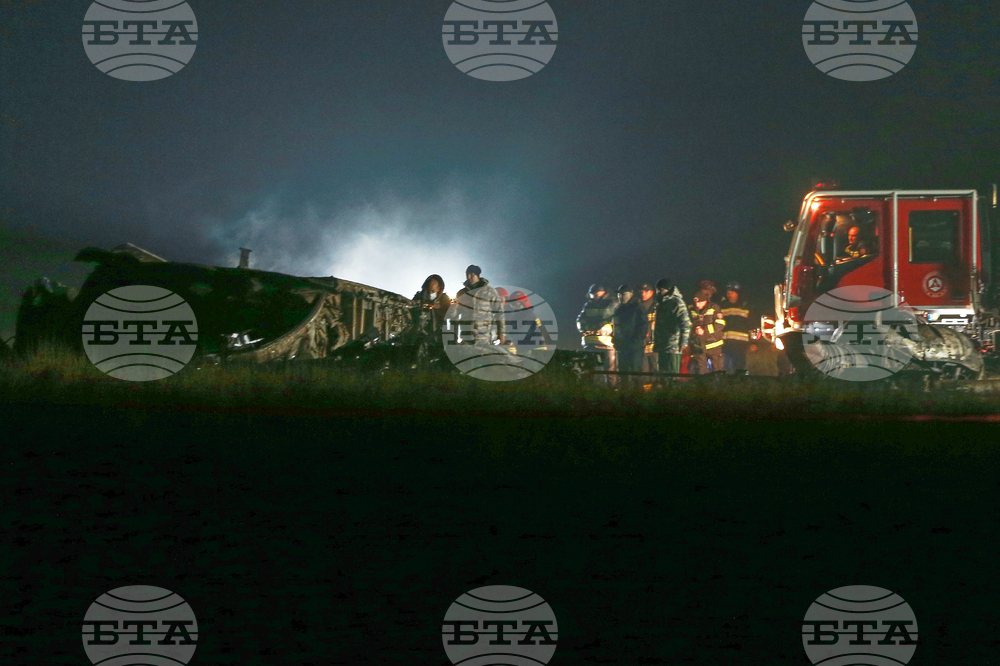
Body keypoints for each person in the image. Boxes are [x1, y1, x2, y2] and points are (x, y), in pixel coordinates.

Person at [453, 265, 505, 346]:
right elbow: (455, 316)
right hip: (467, 336)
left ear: (477, 275)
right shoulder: (462, 293)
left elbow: (499, 313)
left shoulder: (490, 292)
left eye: (471, 274)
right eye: (467, 275)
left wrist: (501, 334)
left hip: (484, 337)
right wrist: (454, 334)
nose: (469, 277)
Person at [576, 283, 618, 382]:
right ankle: (591, 392)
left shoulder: (611, 304)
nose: (594, 296)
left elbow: (609, 319)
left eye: (596, 294)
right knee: (588, 370)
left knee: (610, 371)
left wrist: (592, 328)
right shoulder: (588, 305)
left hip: (606, 344)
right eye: (592, 294)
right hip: (590, 343)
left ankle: (612, 392)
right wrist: (587, 328)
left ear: (603, 293)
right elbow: (580, 321)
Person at [653, 278, 690, 376]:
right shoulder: (661, 303)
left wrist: (683, 343)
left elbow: (686, 324)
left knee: (672, 374)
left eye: (661, 290)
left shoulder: (677, 302)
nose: (659, 292)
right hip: (662, 345)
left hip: (673, 346)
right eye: (658, 290)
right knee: (662, 374)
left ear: (668, 289)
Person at [612, 284, 646, 381]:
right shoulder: (619, 309)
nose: (620, 296)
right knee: (623, 374)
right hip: (622, 346)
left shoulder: (637, 307)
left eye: (623, 294)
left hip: (634, 347)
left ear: (631, 294)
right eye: (619, 294)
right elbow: (616, 327)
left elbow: (642, 327)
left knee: (635, 373)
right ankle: (624, 394)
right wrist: (615, 340)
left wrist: (635, 342)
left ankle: (636, 394)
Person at [689, 289, 726, 374]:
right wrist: (694, 331)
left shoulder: (714, 308)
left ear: (705, 301)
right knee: (701, 371)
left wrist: (704, 331)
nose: (697, 305)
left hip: (714, 345)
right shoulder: (692, 310)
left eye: (699, 302)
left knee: (718, 371)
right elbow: (689, 325)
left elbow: (720, 324)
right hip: (699, 346)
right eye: (696, 302)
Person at [720, 281, 751, 373]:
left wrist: (753, 342)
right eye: (728, 292)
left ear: (738, 293)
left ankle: (740, 384)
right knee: (725, 368)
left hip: (740, 345)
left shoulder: (745, 306)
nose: (730, 294)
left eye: (732, 292)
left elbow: (751, 324)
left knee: (739, 368)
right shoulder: (722, 306)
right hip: (725, 344)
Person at [637, 283, 658, 376]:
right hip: (641, 345)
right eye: (642, 291)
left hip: (655, 345)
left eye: (646, 291)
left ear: (652, 292)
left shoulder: (657, 306)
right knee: (643, 371)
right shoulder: (637, 306)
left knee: (655, 369)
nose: (643, 294)